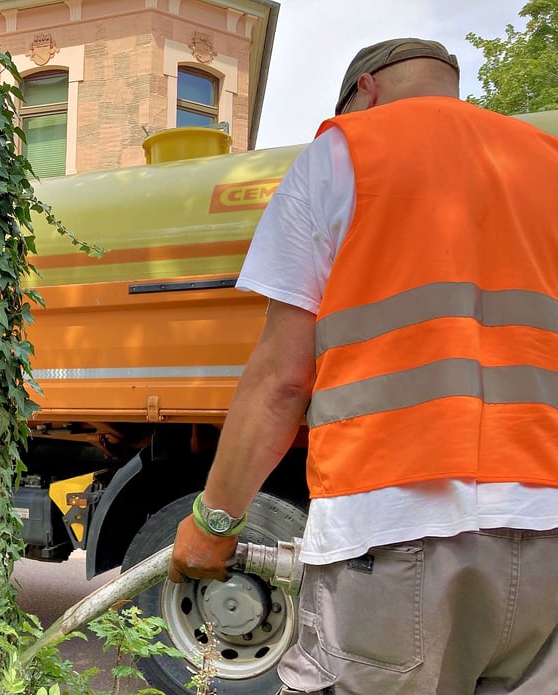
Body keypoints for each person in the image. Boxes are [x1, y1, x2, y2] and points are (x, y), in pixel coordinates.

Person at [168, 37, 558, 694]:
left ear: (366, 90)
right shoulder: (545, 163)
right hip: (545, 525)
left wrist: (213, 522)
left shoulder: (342, 153)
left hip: (394, 530)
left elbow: (283, 380)